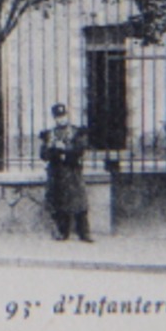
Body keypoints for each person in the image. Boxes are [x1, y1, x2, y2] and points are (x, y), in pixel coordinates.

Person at [39, 103, 94, 242]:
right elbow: (43, 154)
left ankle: (84, 233)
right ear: (54, 118)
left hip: (72, 170)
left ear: (67, 115)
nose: (61, 119)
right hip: (57, 173)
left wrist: (65, 150)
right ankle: (63, 232)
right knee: (60, 203)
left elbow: (80, 150)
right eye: (58, 117)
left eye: (63, 116)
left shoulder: (76, 132)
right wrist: (55, 151)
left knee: (79, 202)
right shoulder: (50, 134)